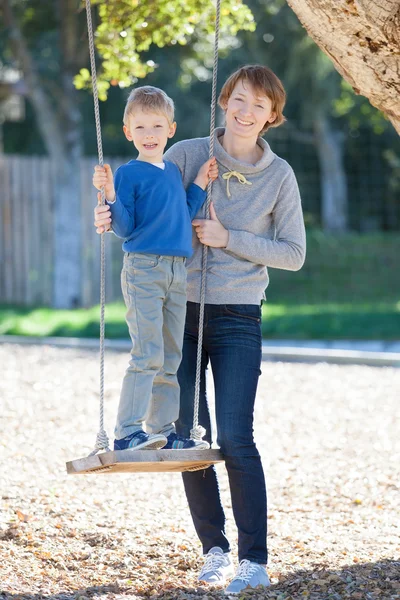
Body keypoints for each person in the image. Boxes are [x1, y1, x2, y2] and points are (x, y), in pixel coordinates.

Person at [94, 66, 306, 593]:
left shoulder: (279, 176)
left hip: (237, 316)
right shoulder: (184, 152)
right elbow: (135, 208)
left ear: (272, 115)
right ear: (223, 103)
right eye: (237, 99)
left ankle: (254, 559)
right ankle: (214, 549)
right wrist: (107, 211)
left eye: (258, 104)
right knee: (189, 436)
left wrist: (226, 235)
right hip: (179, 308)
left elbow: (295, 254)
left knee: (236, 437)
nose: (245, 110)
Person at [92, 86, 218, 452]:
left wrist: (199, 183)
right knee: (147, 353)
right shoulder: (129, 174)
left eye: (157, 127)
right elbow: (125, 228)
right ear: (128, 132)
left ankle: (161, 431)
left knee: (171, 357)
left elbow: (182, 211)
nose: (150, 135)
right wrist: (111, 194)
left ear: (171, 130)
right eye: (141, 128)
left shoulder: (170, 172)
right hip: (144, 269)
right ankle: (126, 432)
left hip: (179, 271)